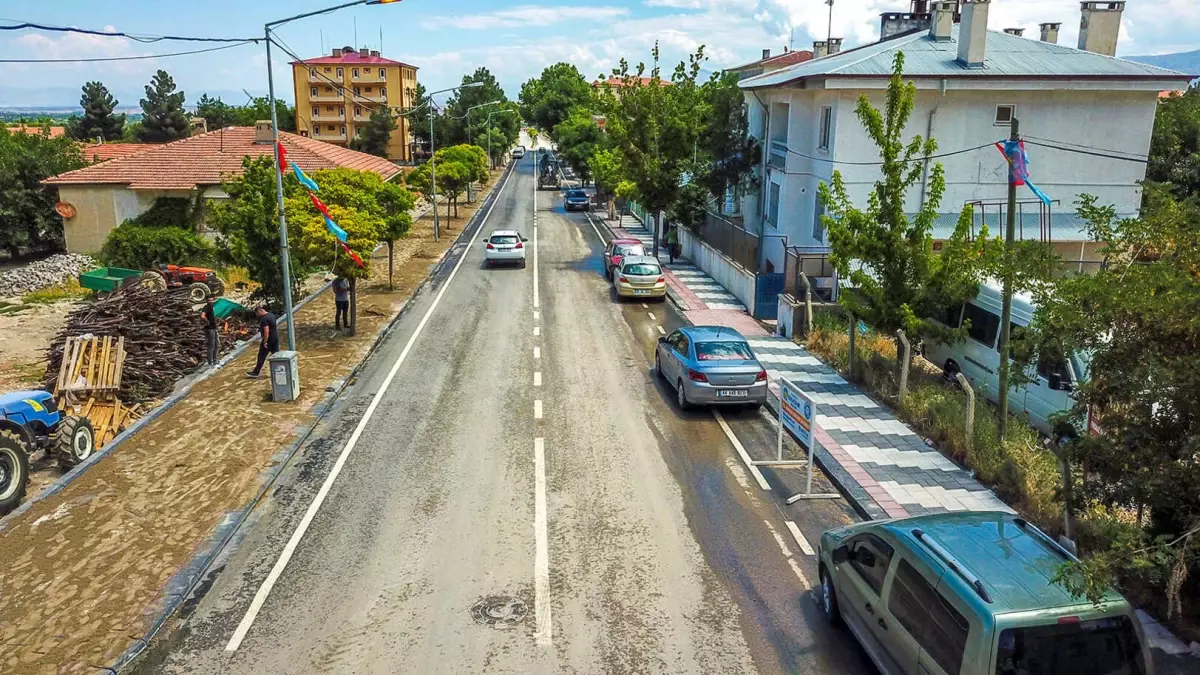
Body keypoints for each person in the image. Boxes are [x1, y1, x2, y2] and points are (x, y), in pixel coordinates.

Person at [246, 306, 279, 379]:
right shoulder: (271, 315)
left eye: (257, 314)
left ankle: (255, 372)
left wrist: (265, 341)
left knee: (261, 356)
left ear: (259, 311)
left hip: (268, 340)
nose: (257, 315)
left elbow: (266, 331)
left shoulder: (264, 319)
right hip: (275, 338)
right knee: (277, 355)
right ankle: (280, 370)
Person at [200, 295, 219, 366]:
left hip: (214, 328)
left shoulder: (211, 307)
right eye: (209, 300)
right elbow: (202, 315)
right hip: (210, 329)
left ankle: (215, 360)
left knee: (217, 344)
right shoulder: (207, 307)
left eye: (212, 300)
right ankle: (210, 362)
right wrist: (207, 322)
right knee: (211, 346)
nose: (211, 301)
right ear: (206, 301)